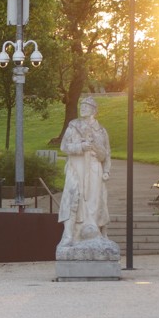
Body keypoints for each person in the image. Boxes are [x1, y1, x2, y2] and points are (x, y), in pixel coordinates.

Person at [58, 96, 111, 246]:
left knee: (94, 200)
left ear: (94, 110)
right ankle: (69, 235)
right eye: (81, 106)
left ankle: (93, 231)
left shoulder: (101, 131)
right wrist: (80, 147)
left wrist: (106, 170)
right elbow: (64, 147)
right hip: (76, 167)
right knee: (73, 197)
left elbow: (106, 153)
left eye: (86, 106)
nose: (82, 108)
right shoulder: (74, 125)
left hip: (94, 167)